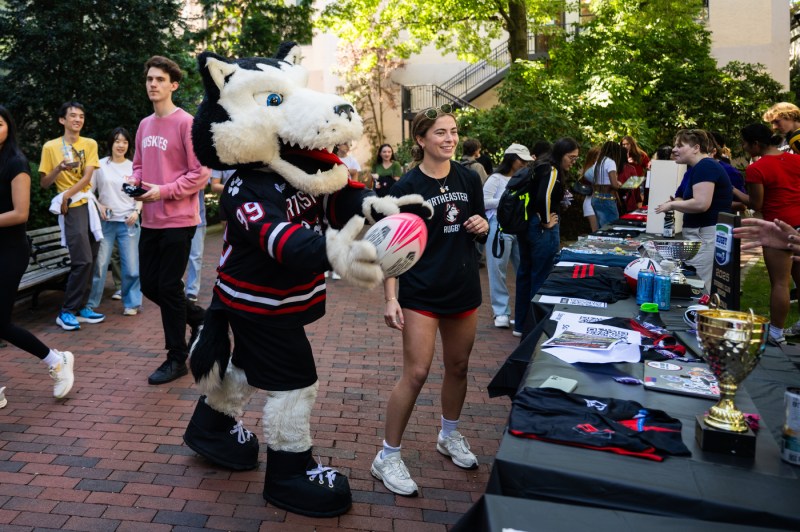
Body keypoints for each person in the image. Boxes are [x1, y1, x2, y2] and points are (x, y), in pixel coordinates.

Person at [372, 106, 489, 496]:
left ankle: (449, 435)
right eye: (440, 133)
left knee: (458, 366)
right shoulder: (405, 187)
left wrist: (483, 225)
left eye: (453, 132)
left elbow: (476, 223)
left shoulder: (469, 177)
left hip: (463, 288)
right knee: (417, 373)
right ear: (421, 140)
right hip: (421, 292)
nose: (450, 139)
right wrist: (390, 298)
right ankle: (387, 456)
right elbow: (390, 249)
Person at [129, 55, 209, 385]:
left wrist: (162, 192)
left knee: (167, 286)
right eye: (149, 79)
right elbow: (137, 164)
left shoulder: (186, 124)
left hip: (179, 219)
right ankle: (200, 319)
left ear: (173, 85)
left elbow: (201, 174)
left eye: (160, 79)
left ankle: (177, 358)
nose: (153, 84)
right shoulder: (145, 125)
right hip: (150, 220)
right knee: (151, 284)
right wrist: (134, 185)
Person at [0, 105, 74, 399]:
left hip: (10, 251)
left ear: (9, 128)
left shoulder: (16, 163)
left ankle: (57, 361)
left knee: (1, 323)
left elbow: (21, 213)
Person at [39, 101, 105, 331]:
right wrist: (58, 169)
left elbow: (87, 178)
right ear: (62, 120)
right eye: (73, 116)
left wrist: (67, 195)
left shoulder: (90, 144)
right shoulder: (50, 147)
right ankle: (66, 311)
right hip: (72, 208)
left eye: (81, 116)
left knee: (93, 258)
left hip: (85, 202)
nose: (78, 119)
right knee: (82, 260)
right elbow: (45, 183)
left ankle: (81, 307)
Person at [513, 138, 580, 337]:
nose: (572, 162)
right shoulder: (551, 170)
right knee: (540, 276)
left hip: (526, 227)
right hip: (541, 229)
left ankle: (521, 325)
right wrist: (545, 221)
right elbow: (543, 197)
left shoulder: (539, 165)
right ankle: (533, 330)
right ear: (561, 153)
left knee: (525, 273)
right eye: (571, 157)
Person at [740, 123, 800, 345]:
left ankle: (776, 333)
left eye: (745, 144)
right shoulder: (797, 159)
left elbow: (757, 204)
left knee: (780, 283)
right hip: (799, 224)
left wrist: (735, 192)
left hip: (777, 228)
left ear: (756, 144)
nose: (745, 148)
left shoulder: (756, 168)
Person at [656, 129, 732, 292]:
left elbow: (701, 204)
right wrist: (678, 202)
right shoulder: (698, 167)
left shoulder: (706, 166)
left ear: (696, 148)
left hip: (705, 236)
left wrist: (672, 205)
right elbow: (685, 198)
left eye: (679, 145)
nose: (674, 149)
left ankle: (699, 316)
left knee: (698, 287)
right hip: (701, 235)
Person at [86, 127, 142, 316]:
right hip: (106, 222)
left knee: (132, 266)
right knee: (100, 265)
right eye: (117, 141)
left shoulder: (134, 167)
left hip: (129, 221)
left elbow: (141, 195)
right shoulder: (99, 166)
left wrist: (137, 211)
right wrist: (98, 206)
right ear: (111, 143)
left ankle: (131, 303)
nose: (121, 145)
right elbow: (88, 191)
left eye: (125, 142)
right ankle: (91, 303)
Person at [484, 144, 531, 328]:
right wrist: (507, 200)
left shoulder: (526, 178)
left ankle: (521, 311)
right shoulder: (496, 178)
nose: (524, 164)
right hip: (500, 226)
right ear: (511, 159)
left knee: (524, 269)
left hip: (521, 228)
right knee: (497, 270)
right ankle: (500, 312)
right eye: (521, 160)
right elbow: (483, 201)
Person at [590, 141, 626, 228]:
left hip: (596, 197)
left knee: (601, 228)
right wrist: (620, 184)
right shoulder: (610, 162)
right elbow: (614, 185)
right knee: (611, 228)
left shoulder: (598, 162)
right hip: (606, 198)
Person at [185, 189, 206, 302]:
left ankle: (192, 290)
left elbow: (202, 183)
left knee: (195, 256)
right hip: (175, 218)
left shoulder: (201, 170)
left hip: (197, 217)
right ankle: (177, 285)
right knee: (176, 256)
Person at [580, 146, 601, 232]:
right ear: (594, 157)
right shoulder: (591, 171)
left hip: (596, 203)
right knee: (596, 231)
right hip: (591, 204)